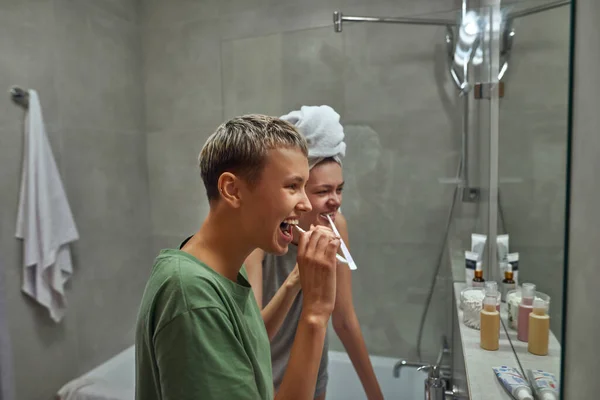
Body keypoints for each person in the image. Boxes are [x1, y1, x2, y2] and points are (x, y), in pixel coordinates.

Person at [135, 114, 342, 400]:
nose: (305, 204)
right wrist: (316, 314)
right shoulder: (192, 297)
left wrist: (295, 282)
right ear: (232, 190)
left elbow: (249, 341)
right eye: (292, 186)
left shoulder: (222, 268)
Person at [244, 106, 384, 400]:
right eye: (322, 192)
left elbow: (344, 319)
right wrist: (297, 278)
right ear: (295, 189)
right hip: (265, 379)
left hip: (313, 374)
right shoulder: (261, 241)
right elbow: (251, 339)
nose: (335, 201)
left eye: (340, 190)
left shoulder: (337, 228)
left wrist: (377, 396)